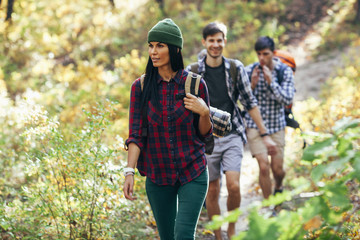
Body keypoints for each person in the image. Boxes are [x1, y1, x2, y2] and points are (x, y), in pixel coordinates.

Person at [123, 18, 212, 240]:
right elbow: (136, 134)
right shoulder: (141, 87)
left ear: (175, 49)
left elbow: (204, 133)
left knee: (183, 235)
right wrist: (129, 171)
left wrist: (204, 113)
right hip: (158, 174)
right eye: (151, 46)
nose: (153, 51)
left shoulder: (195, 84)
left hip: (193, 170)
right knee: (167, 237)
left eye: (160, 45)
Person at [186, 22, 277, 240]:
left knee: (234, 185)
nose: (216, 45)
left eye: (219, 40)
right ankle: (218, 234)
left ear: (224, 41)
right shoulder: (193, 72)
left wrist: (265, 135)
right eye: (211, 40)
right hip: (205, 138)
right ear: (204, 42)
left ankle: (233, 228)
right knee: (213, 190)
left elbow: (250, 102)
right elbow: (185, 106)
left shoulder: (235, 68)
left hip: (232, 133)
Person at [244, 36, 295, 200]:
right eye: (258, 54)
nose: (261, 58)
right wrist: (251, 86)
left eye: (265, 54)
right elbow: (241, 100)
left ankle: (279, 186)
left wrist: (271, 82)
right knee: (264, 167)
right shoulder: (250, 70)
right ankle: (269, 207)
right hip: (255, 126)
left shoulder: (284, 71)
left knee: (277, 169)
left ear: (273, 53)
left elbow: (287, 99)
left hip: (276, 125)